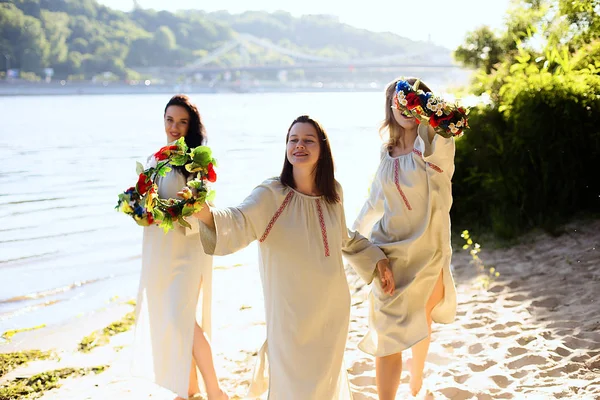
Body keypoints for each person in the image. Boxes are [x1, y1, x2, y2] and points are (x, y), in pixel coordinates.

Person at [193, 115, 395, 399]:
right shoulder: (271, 194)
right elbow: (238, 220)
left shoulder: (333, 194)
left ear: (322, 149)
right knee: (291, 384)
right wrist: (203, 212)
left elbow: (345, 238)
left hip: (331, 311)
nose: (299, 146)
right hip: (289, 314)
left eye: (308, 140)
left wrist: (378, 259)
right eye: (293, 140)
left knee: (324, 382)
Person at [352, 78, 458, 398]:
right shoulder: (386, 152)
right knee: (387, 332)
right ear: (390, 106)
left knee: (419, 318)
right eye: (401, 101)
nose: (408, 108)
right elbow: (374, 202)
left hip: (426, 250)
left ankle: (416, 380)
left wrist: (434, 117)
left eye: (415, 100)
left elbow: (444, 143)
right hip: (389, 251)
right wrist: (351, 238)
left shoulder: (433, 143)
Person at [130, 94, 228, 400]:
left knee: (181, 317)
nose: (174, 127)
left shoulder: (198, 161)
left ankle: (216, 391)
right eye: (170, 120)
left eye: (182, 122)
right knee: (171, 319)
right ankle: (189, 390)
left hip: (188, 250)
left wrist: (178, 207)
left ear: (191, 126)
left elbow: (204, 204)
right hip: (160, 251)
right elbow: (143, 201)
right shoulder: (154, 160)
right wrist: (140, 212)